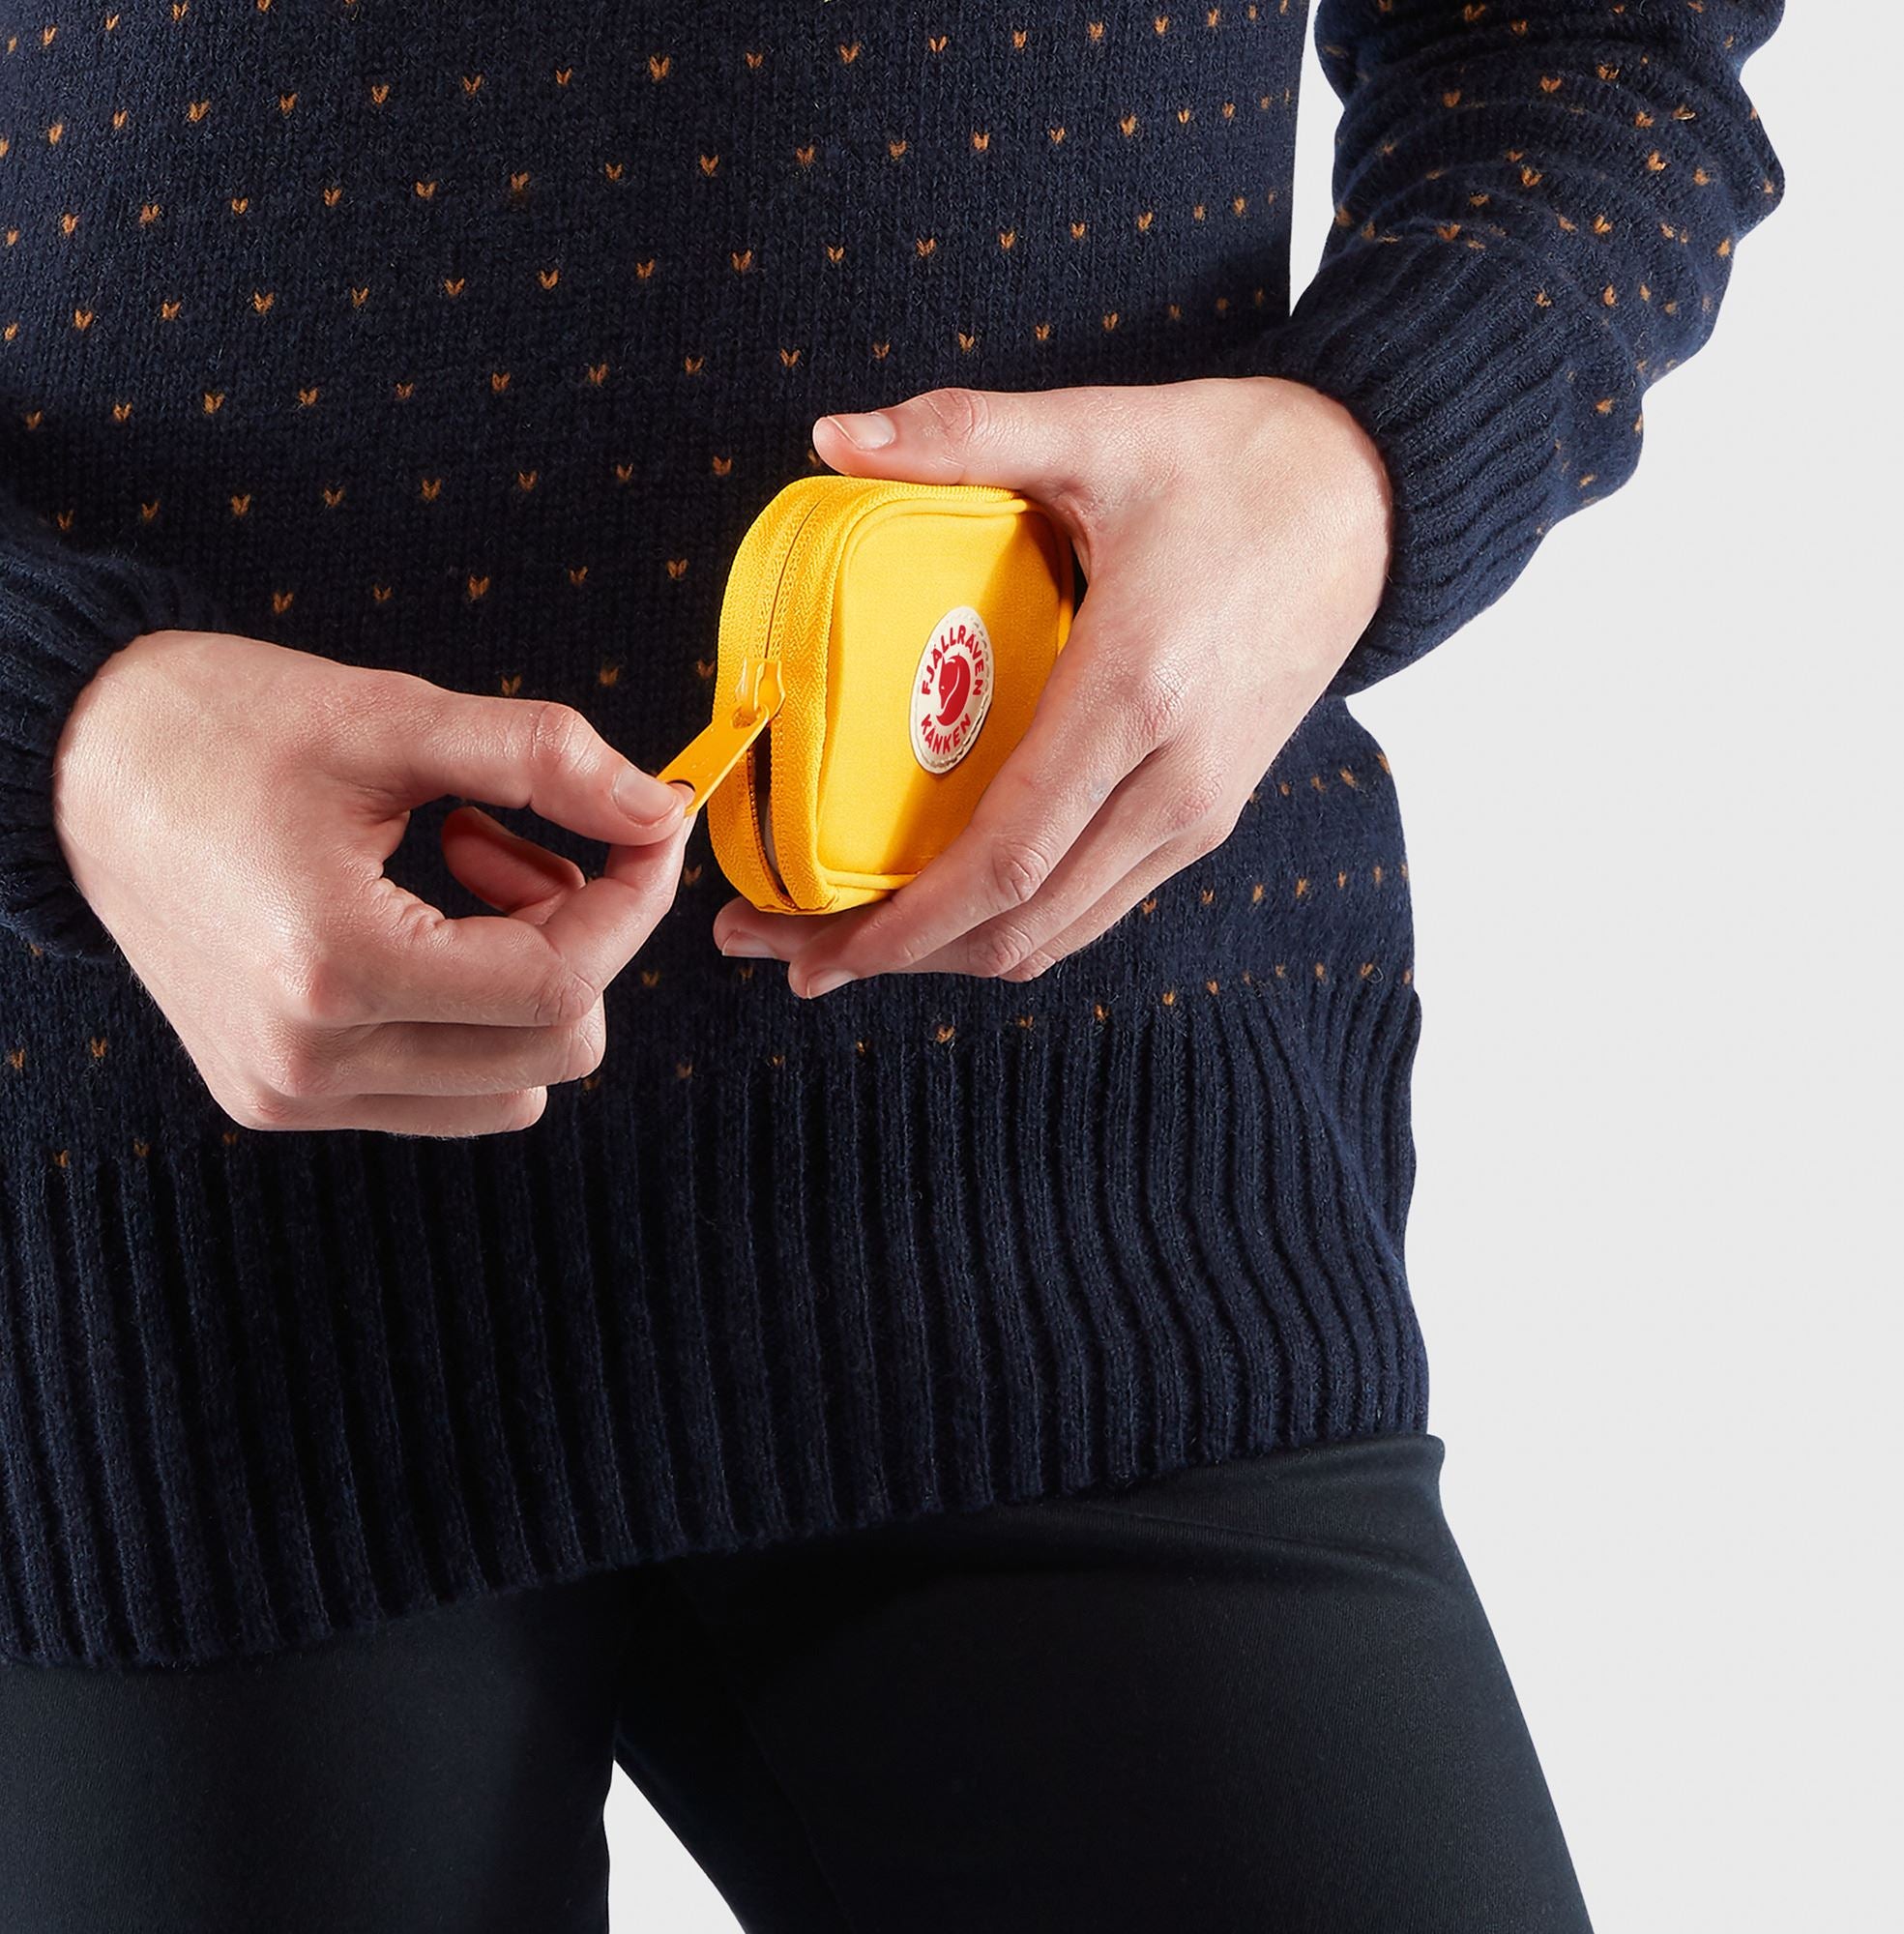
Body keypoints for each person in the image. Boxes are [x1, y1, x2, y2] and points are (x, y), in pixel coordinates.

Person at [0, 3, 1782, 1928]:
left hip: (1104, 1156)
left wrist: (1365, 447)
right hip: (134, 1253)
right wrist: (63, 737)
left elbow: (1597, 43)